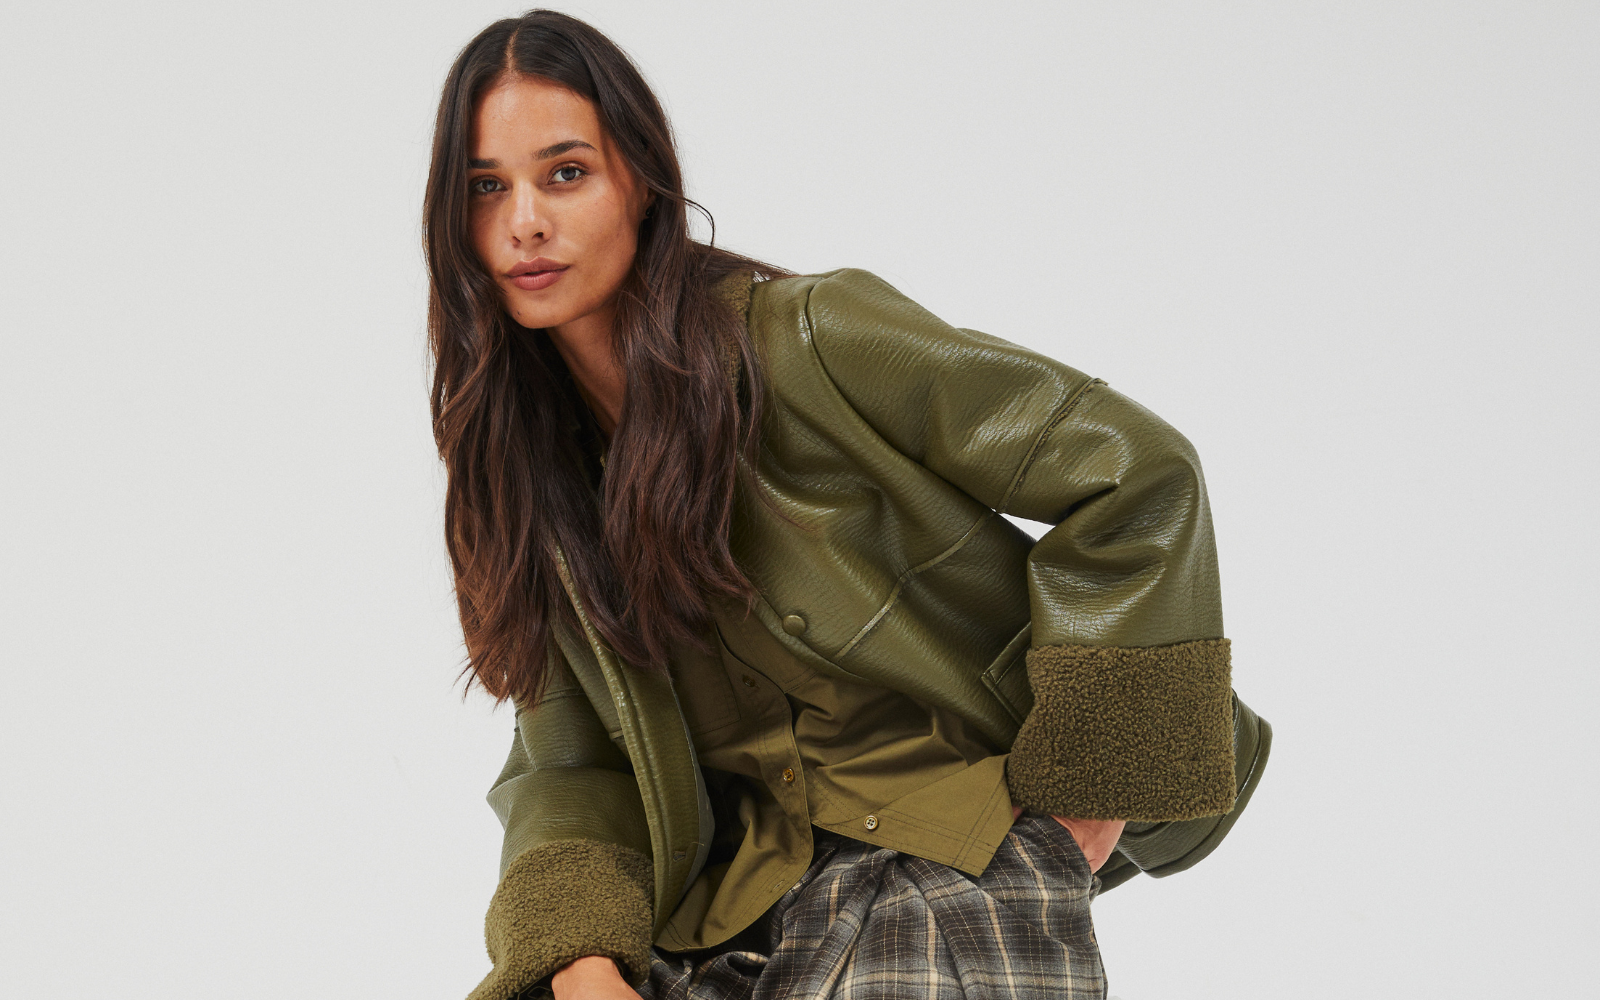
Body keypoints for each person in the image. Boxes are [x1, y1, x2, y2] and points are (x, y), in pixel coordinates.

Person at [422, 10, 1272, 1000]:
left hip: (949, 853)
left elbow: (1134, 469)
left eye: (565, 173)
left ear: (641, 183)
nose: (524, 220)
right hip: (741, 910)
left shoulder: (810, 341)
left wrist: (1091, 787)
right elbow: (571, 764)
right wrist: (579, 963)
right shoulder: (529, 478)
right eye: (486, 187)